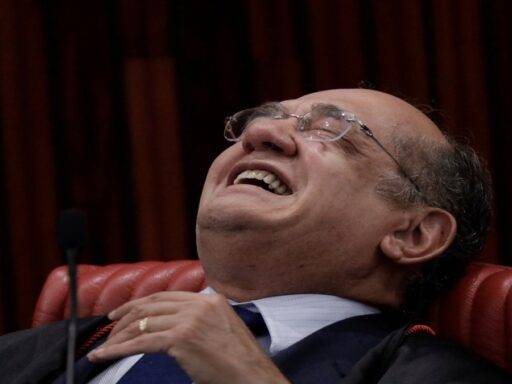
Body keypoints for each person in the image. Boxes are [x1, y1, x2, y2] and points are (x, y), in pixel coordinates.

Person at [0, 89, 509, 383]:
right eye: (261, 120)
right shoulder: (26, 355)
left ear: (414, 233)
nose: (260, 133)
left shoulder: (440, 377)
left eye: (332, 131)